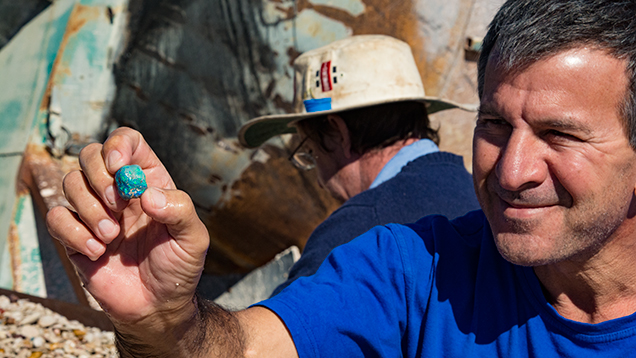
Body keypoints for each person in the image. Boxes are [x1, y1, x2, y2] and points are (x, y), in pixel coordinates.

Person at [45, 0, 636, 356]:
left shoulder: (354, 233)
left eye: (561, 135)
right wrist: (166, 323)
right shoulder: (409, 266)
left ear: (338, 139)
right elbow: (246, 348)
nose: (512, 172)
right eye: (494, 125)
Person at [237, 35, 479, 295]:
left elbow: (270, 335)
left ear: (338, 131)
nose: (319, 181)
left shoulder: (352, 238)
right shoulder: (482, 201)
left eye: (310, 151)